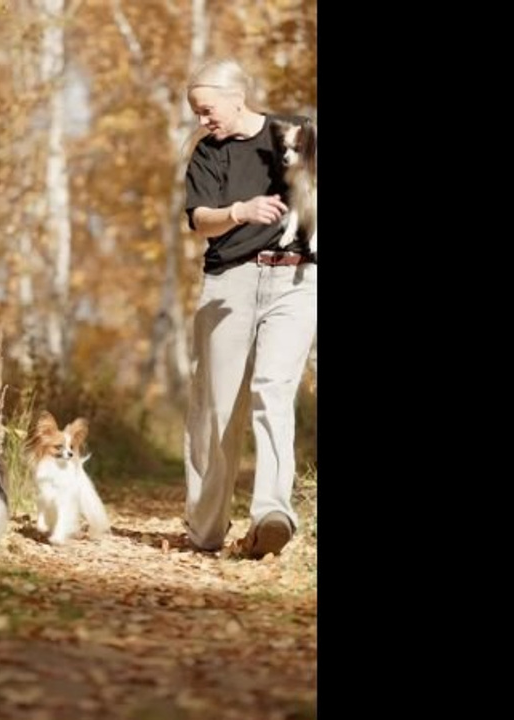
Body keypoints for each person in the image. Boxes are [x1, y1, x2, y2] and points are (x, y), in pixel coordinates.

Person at [181, 58, 317, 558]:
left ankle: (272, 514)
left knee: (273, 392)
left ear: (236, 97)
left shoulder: (297, 134)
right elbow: (199, 220)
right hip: (230, 282)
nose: (202, 120)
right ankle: (206, 528)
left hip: (297, 280)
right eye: (196, 112)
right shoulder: (207, 155)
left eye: (207, 109)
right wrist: (240, 211)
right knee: (217, 408)